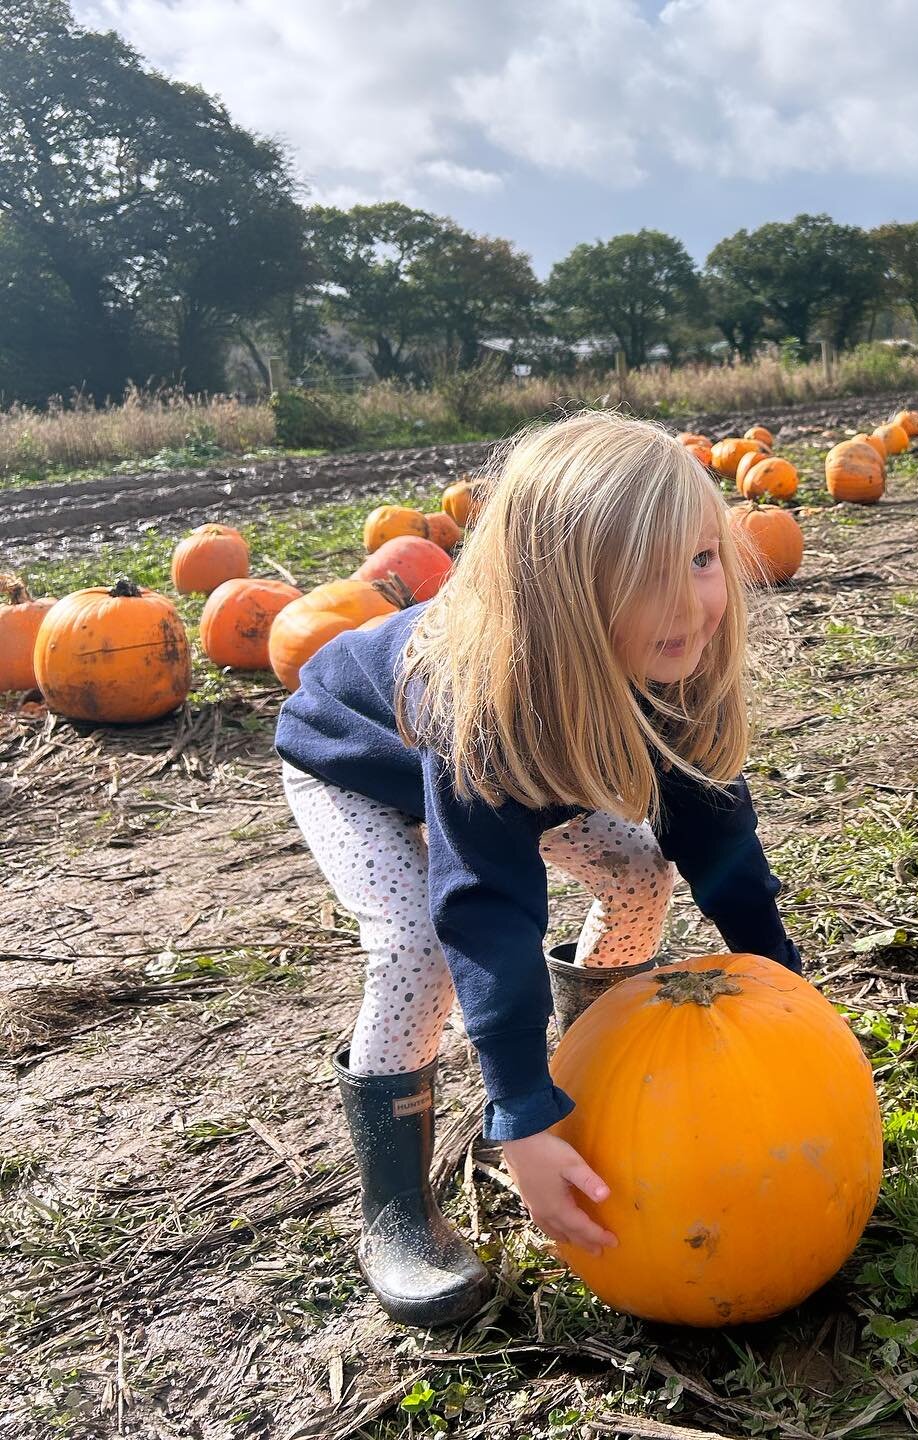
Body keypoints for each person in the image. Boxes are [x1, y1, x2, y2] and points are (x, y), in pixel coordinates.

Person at [274, 410, 802, 1326]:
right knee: (418, 951)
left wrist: (781, 972)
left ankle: (592, 1049)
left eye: (702, 559)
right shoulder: (479, 696)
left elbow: (715, 834)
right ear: (555, 594)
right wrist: (516, 1103)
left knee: (638, 873)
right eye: (644, 573)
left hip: (532, 761)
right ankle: (396, 1209)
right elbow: (487, 908)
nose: (689, 604)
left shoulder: (665, 658)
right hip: (357, 768)